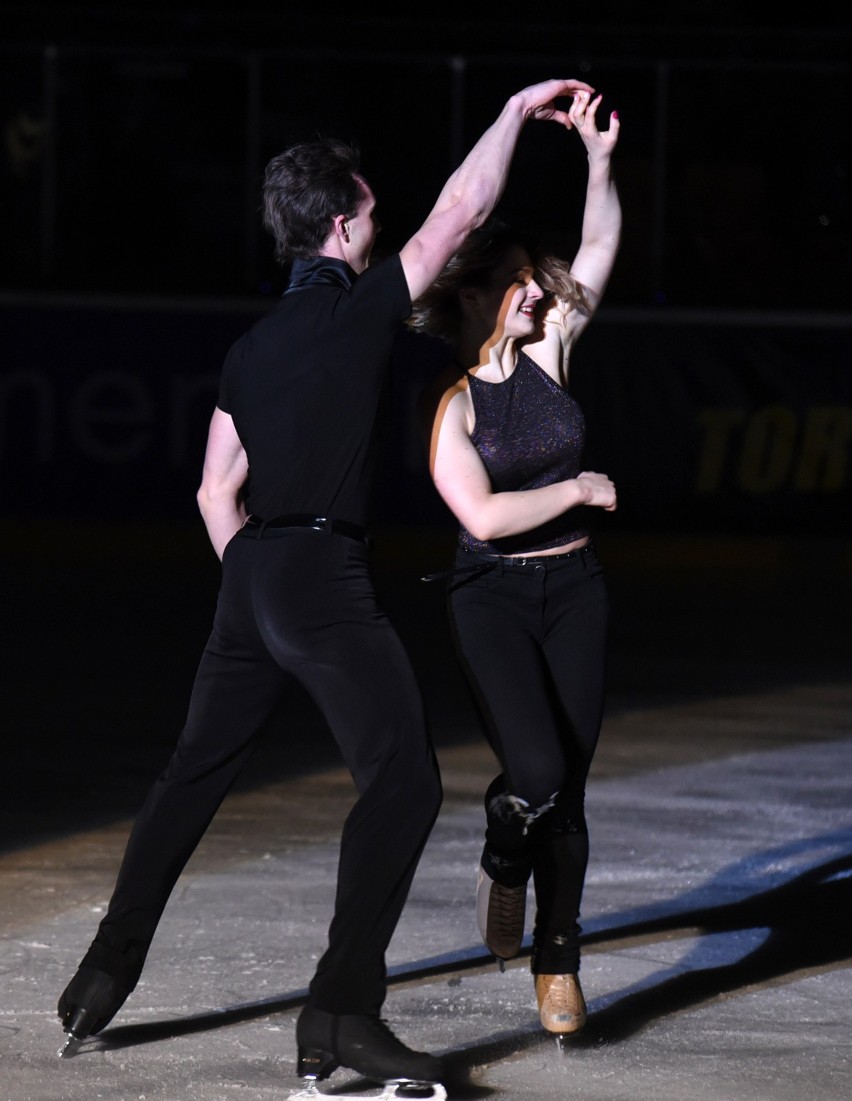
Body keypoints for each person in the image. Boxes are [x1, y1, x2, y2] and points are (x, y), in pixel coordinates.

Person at [55, 76, 597, 1089]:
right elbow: (463, 214)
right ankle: (339, 1016)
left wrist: (259, 601)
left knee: (190, 775)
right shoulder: (358, 318)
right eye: (373, 220)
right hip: (315, 568)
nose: (383, 233)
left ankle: (100, 977)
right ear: (345, 229)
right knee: (404, 784)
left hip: (251, 576)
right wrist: (517, 115)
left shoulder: (250, 351)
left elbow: (217, 493)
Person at [409, 88, 620, 1037]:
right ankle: (505, 843)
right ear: (470, 292)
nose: (538, 290)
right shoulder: (453, 407)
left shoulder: (553, 348)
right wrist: (576, 488)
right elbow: (486, 518)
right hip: (491, 599)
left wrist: (601, 165)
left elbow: (604, 249)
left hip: (577, 590)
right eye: (518, 281)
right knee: (534, 773)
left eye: (536, 278)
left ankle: (558, 959)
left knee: (568, 787)